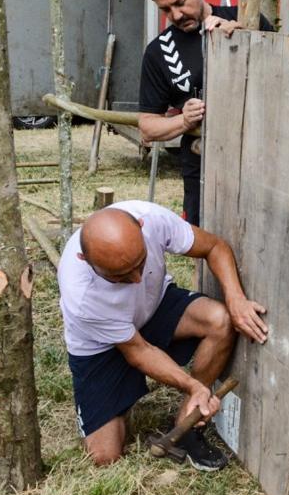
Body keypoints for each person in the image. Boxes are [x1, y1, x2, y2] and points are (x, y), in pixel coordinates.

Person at [58, 201, 269, 469]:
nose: (136, 279)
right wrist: (192, 385)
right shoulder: (81, 295)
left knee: (221, 319)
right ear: (84, 260)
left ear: (142, 228)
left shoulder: (152, 219)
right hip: (101, 345)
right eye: (120, 276)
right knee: (104, 457)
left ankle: (185, 426)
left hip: (153, 307)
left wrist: (235, 297)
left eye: (140, 263)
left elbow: (215, 247)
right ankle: (114, 405)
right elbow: (139, 352)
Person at [138, 0, 274, 226]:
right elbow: (147, 127)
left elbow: (286, 81)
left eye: (180, 2)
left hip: (261, 163)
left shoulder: (246, 19)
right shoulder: (159, 52)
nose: (176, 15)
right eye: (166, 9)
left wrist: (246, 40)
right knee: (205, 245)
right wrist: (184, 120)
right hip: (201, 169)